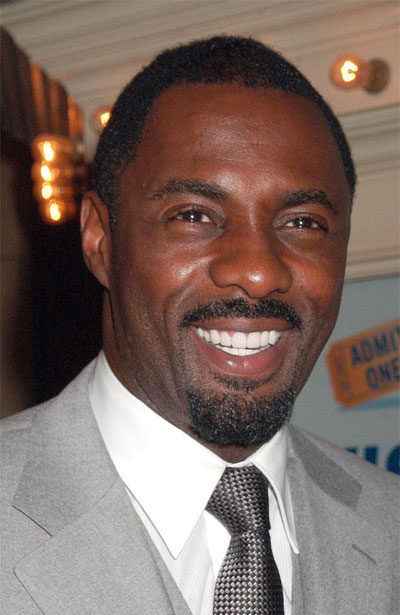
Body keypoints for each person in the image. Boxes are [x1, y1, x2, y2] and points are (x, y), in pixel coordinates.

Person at [1, 36, 398, 615]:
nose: (258, 271)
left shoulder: (389, 520)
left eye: (303, 222)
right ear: (100, 239)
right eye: (193, 215)